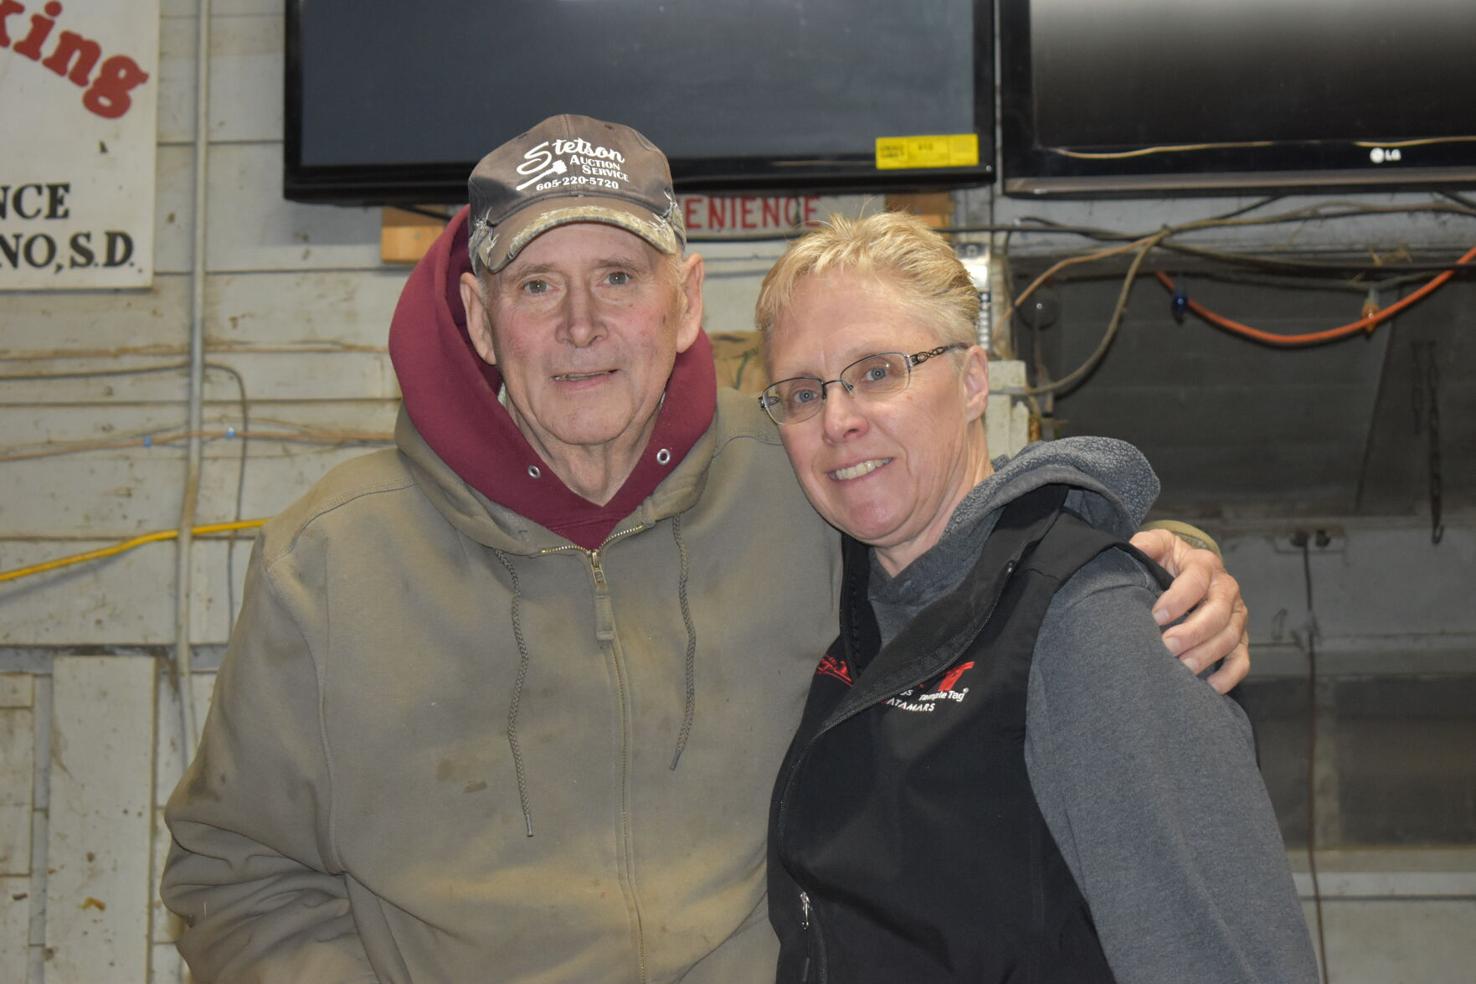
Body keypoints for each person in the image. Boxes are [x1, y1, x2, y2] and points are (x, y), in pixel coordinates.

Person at [161, 115, 1249, 983]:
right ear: (482, 324)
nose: (582, 323)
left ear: (685, 303)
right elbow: (237, 870)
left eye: (620, 278)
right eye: (538, 286)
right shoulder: (333, 557)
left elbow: (972, 553)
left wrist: (1146, 562)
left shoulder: (795, 473)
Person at [757, 211, 1317, 983]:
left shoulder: (1087, 621)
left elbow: (1222, 958)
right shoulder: (838, 595)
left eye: (878, 371)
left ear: (974, 381)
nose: (839, 420)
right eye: (801, 393)